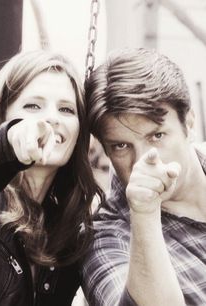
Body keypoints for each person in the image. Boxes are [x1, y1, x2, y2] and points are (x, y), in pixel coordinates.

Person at [0, 49, 102, 306]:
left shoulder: (70, 233)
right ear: (1, 116)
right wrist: (7, 143)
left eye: (66, 109)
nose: (51, 117)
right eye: (33, 106)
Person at [81, 47, 206, 306]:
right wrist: (145, 212)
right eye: (121, 146)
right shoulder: (106, 238)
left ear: (189, 123)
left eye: (157, 136)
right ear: (106, 151)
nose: (143, 161)